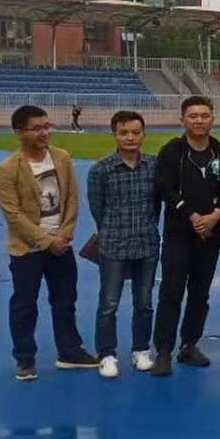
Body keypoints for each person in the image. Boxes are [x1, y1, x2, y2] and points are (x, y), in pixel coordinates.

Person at [0, 105, 96, 380]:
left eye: (47, 126)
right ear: (19, 132)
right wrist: (46, 241)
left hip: (61, 243)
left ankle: (69, 352)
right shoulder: (8, 169)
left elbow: (71, 197)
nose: (44, 132)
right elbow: (12, 213)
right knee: (25, 304)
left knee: (65, 300)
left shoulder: (61, 157)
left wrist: (65, 232)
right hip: (27, 249)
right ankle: (25, 358)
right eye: (37, 128)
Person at [150, 96, 220, 376]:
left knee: (199, 293)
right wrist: (191, 215)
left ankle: (189, 344)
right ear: (182, 119)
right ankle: (164, 350)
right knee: (171, 291)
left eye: (204, 115)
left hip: (211, 234)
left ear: (212, 119)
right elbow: (164, 188)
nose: (199, 121)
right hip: (179, 233)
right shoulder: (172, 151)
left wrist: (217, 213)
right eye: (193, 116)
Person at [86, 110, 160, 379]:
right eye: (124, 133)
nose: (130, 138)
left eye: (136, 132)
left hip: (147, 244)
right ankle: (107, 353)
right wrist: (111, 231)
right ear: (114, 135)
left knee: (144, 302)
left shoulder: (154, 166)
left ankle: (141, 349)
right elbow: (97, 208)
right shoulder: (101, 170)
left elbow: (156, 205)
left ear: (143, 135)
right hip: (114, 245)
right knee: (109, 303)